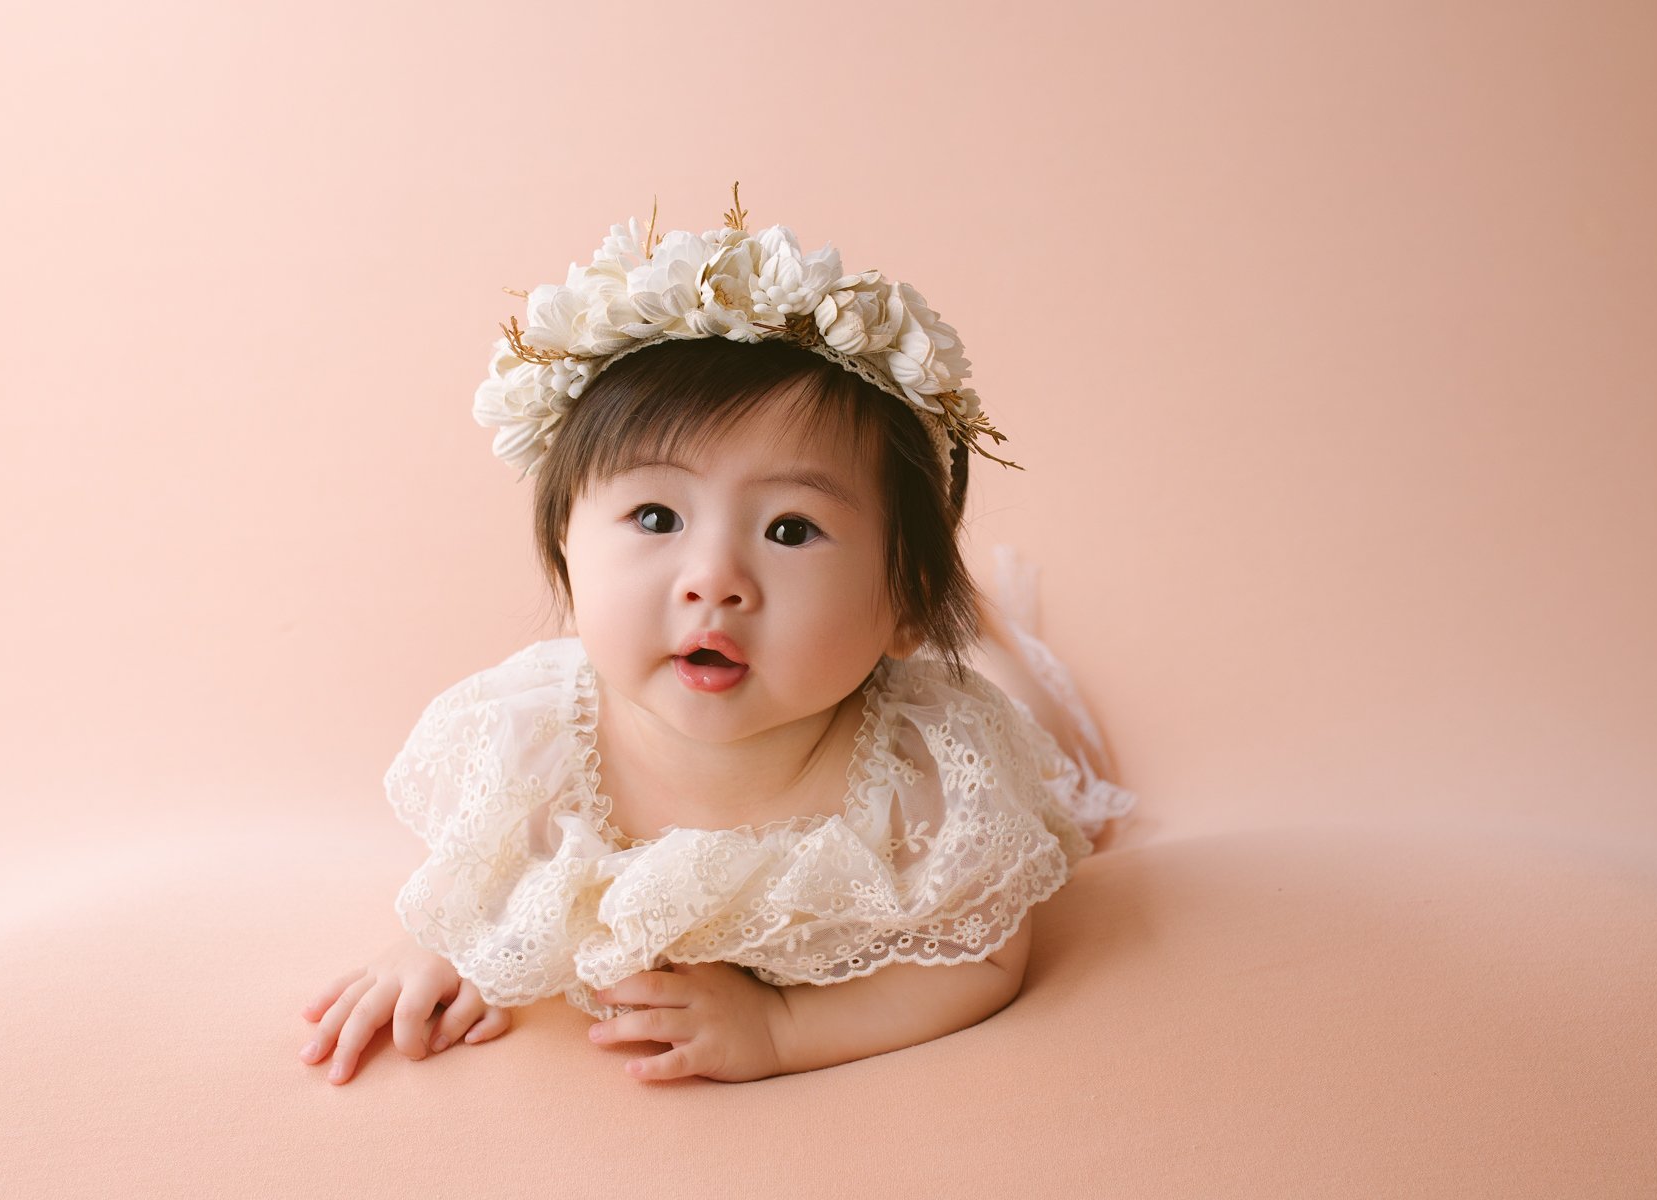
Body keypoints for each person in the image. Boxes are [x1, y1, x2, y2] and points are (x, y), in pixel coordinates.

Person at [299, 184, 1135, 1085]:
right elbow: (492, 860)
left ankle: (995, 630)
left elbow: (983, 961)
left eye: (788, 530)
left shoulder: (928, 775)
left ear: (904, 605)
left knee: (1058, 745)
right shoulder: (534, 735)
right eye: (656, 517)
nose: (712, 580)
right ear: (565, 556)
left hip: (959, 715)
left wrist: (782, 1026)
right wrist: (446, 944)